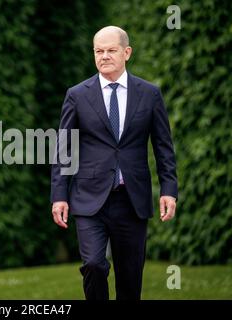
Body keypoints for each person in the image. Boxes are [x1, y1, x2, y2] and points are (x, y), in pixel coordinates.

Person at [50, 26, 177, 300]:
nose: (104, 56)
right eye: (99, 51)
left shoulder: (150, 94)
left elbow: (163, 147)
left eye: (111, 50)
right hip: (88, 199)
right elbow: (64, 150)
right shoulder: (77, 95)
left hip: (132, 200)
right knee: (94, 265)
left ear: (126, 52)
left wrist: (169, 189)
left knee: (130, 279)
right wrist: (59, 195)